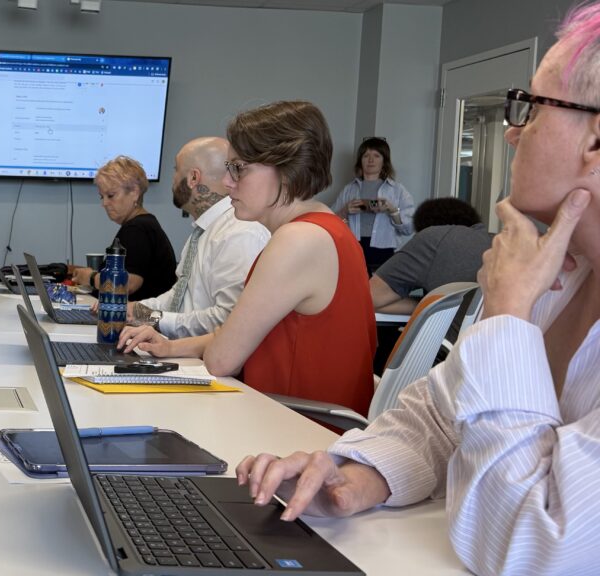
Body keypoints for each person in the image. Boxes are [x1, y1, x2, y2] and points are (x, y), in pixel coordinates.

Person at [236, 5, 600, 574]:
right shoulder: (561, 274)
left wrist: (507, 315)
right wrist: (363, 474)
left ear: (595, 139)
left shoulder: (523, 287)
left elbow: (533, 548)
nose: (512, 131)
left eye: (530, 108)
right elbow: (438, 416)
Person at [119, 101, 376, 416]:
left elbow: (221, 359)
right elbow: (234, 337)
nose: (227, 182)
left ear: (286, 169)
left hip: (296, 426)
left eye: (239, 168)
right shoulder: (326, 228)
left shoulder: (298, 240)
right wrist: (170, 347)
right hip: (293, 418)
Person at [126, 137, 270, 338]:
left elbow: (226, 321)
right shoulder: (204, 229)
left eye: (176, 170)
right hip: (180, 350)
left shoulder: (241, 232)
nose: (173, 179)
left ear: (193, 178)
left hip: (203, 356)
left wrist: (154, 319)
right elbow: (180, 297)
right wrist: (134, 311)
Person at [71, 156, 177, 300]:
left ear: (134, 193)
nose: (104, 203)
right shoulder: (144, 225)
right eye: (102, 197)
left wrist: (91, 277)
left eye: (111, 195)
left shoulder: (137, 229)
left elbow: (127, 285)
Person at [372, 197, 492, 314]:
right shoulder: (494, 242)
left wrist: (427, 306)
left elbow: (371, 297)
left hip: (448, 327)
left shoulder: (433, 239)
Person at [332, 137, 414, 274]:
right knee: (355, 285)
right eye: (366, 156)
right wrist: (345, 210)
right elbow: (331, 221)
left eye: (376, 155)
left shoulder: (397, 190)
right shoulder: (349, 190)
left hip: (385, 252)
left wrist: (392, 210)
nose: (371, 160)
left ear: (384, 161)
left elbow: (408, 229)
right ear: (360, 161)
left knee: (379, 287)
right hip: (354, 248)